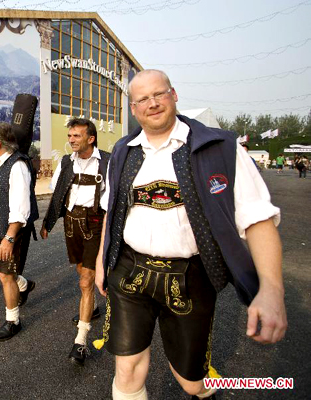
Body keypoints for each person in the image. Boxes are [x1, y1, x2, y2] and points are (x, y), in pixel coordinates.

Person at [95, 70, 287, 400]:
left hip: (190, 276)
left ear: (174, 95)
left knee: (190, 381)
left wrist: (271, 289)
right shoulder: (123, 151)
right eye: (142, 99)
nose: (152, 104)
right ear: (132, 107)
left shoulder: (220, 148)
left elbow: (259, 221)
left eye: (159, 94)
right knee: (127, 368)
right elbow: (112, 213)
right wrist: (102, 260)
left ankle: (210, 389)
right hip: (129, 270)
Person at [40, 117, 110, 365]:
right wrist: (48, 222)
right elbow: (58, 192)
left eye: (76, 136)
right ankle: (91, 307)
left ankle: (80, 341)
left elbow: (112, 203)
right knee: (81, 270)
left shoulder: (107, 162)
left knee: (85, 280)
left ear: (90, 138)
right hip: (72, 224)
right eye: (70, 136)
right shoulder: (66, 162)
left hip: (94, 223)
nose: (71, 140)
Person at [0, 122, 38, 341]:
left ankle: (13, 321)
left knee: (5, 275)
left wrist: (10, 238)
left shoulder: (18, 165)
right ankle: (24, 284)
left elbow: (21, 206)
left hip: (10, 228)